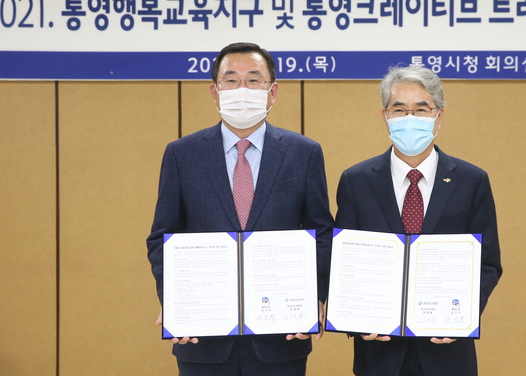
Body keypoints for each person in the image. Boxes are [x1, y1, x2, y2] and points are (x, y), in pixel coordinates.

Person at [146, 42, 333, 375]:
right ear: (215, 92)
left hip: (282, 337)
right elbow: (162, 237)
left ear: (272, 92)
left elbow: (321, 233)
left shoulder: (303, 153)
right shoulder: (182, 154)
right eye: (231, 80)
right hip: (203, 339)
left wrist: (313, 298)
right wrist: (175, 301)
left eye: (254, 80)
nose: (242, 90)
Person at [335, 65, 503, 376]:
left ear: (439, 115)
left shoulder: (471, 181)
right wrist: (356, 320)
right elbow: (343, 262)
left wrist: (461, 317)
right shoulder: (356, 181)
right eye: (399, 109)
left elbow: (488, 263)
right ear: (385, 115)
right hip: (379, 352)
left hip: (448, 353)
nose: (409, 118)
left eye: (421, 109)